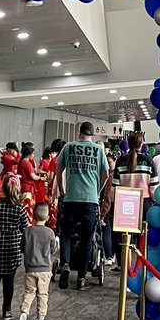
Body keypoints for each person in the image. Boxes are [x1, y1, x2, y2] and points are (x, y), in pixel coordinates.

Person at [56, 122, 109, 291]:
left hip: (71, 199)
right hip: (90, 200)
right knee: (87, 239)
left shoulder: (69, 147)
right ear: (92, 135)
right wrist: (97, 190)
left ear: (79, 133)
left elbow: (59, 169)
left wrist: (62, 190)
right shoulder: (99, 150)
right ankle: (81, 278)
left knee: (65, 233)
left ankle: (65, 264)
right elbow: (106, 174)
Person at [109, 132, 160, 271]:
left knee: (124, 239)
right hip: (144, 205)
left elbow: (114, 188)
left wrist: (115, 205)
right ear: (141, 144)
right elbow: (154, 188)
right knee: (142, 239)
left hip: (125, 205)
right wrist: (155, 201)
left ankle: (123, 267)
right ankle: (141, 267)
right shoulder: (148, 161)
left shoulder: (121, 161)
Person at [0, 180, 28, 320]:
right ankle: (7, 310)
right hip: (13, 248)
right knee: (9, 281)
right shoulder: (20, 208)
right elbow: (25, 227)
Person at [18, 201, 58, 320]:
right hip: (45, 270)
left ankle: (24, 311)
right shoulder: (50, 232)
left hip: (30, 269)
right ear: (47, 218)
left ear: (32, 217)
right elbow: (53, 250)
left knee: (29, 292)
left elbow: (22, 248)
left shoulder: (27, 231)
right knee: (42, 295)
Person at [18, 141, 47, 220]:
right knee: (28, 208)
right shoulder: (27, 163)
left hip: (24, 186)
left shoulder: (22, 162)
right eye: (33, 154)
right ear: (29, 154)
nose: (33, 156)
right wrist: (41, 178)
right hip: (28, 187)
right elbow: (33, 176)